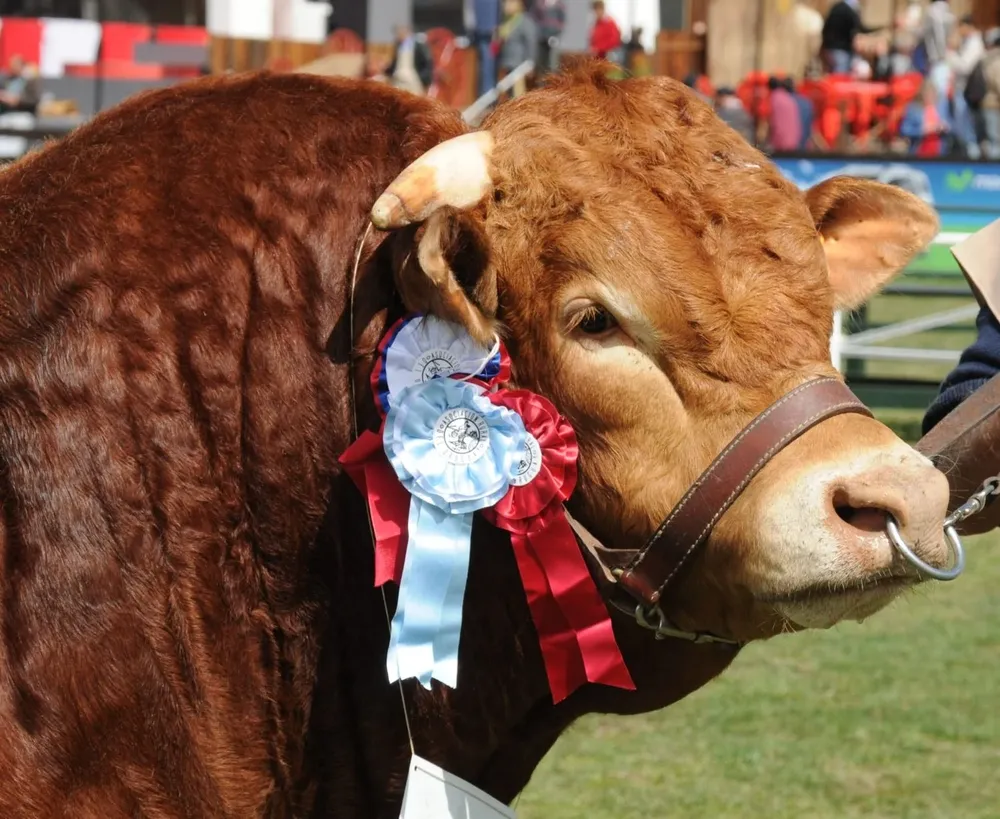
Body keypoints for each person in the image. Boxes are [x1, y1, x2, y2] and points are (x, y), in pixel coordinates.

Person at [948, 15, 985, 157]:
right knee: (963, 128)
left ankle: (972, 157)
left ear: (967, 26)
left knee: (968, 129)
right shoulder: (967, 42)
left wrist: (951, 55)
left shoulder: (974, 43)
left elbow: (965, 66)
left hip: (967, 92)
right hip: (962, 90)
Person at [821, 0, 880, 75]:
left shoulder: (837, 7)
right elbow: (859, 28)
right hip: (841, 50)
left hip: (830, 48)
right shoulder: (849, 10)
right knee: (841, 74)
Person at [899, 79, 951, 156]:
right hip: (919, 152)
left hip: (939, 152)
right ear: (922, 94)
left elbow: (952, 126)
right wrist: (922, 130)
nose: (930, 97)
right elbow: (904, 130)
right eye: (927, 94)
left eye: (932, 94)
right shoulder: (913, 109)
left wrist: (945, 127)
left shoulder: (941, 107)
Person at [497, 0, 537, 99]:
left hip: (519, 65)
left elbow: (531, 43)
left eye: (511, 2)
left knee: (518, 94)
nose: (506, 6)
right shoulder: (507, 21)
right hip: (507, 63)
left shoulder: (525, 22)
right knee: (508, 93)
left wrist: (529, 63)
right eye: (505, 2)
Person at [383, 25, 434, 97]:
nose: (399, 35)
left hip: (413, 79)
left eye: (401, 32)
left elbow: (427, 63)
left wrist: (423, 78)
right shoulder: (398, 46)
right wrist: (386, 71)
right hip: (398, 78)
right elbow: (395, 63)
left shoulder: (418, 45)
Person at [766, 76, 802, 152]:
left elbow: (768, 123)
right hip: (794, 143)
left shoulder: (773, 98)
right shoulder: (789, 98)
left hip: (778, 144)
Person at [531, 0, 565, 79]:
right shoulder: (539, 4)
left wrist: (556, 33)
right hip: (541, 38)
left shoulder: (559, 5)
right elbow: (534, 18)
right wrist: (538, 30)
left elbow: (562, 21)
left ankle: (551, 82)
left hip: (554, 38)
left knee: (553, 63)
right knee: (541, 63)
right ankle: (541, 82)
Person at [980, 28, 1000, 159]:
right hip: (995, 104)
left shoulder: (985, 58)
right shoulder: (997, 60)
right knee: (996, 141)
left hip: (987, 102)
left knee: (992, 139)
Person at [784, 77, 814, 150]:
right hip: (803, 146)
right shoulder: (806, 102)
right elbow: (810, 129)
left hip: (786, 147)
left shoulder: (782, 102)